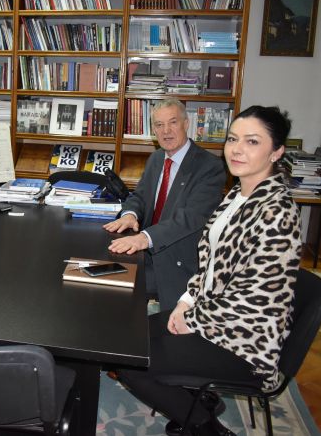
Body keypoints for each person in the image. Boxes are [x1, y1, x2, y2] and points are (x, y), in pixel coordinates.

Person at [117, 106, 302, 435]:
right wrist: (186, 301)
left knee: (129, 362)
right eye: (233, 139)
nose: (237, 149)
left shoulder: (276, 212)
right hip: (211, 315)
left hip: (243, 340)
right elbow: (210, 264)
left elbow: (252, 299)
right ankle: (198, 404)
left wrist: (193, 319)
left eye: (252, 141)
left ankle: (207, 428)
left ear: (276, 152)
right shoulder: (237, 196)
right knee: (126, 342)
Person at [103, 98, 226, 310]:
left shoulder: (209, 166)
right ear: (154, 130)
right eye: (159, 125)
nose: (166, 131)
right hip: (146, 252)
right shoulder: (157, 158)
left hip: (176, 260)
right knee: (97, 271)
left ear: (186, 124)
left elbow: (190, 217)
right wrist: (130, 214)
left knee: (111, 285)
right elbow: (140, 195)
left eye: (173, 122)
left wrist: (145, 238)